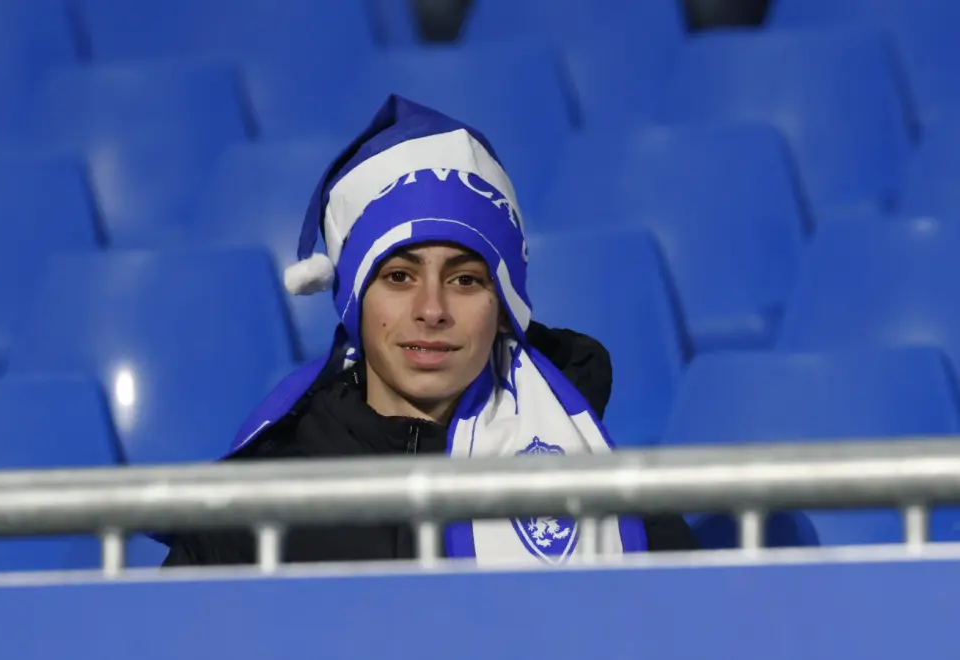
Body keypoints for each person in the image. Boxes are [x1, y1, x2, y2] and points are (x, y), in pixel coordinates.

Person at [163, 95, 696, 566]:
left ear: (505, 306)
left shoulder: (587, 468)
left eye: (465, 279)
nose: (431, 309)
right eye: (399, 276)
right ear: (353, 300)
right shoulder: (268, 490)